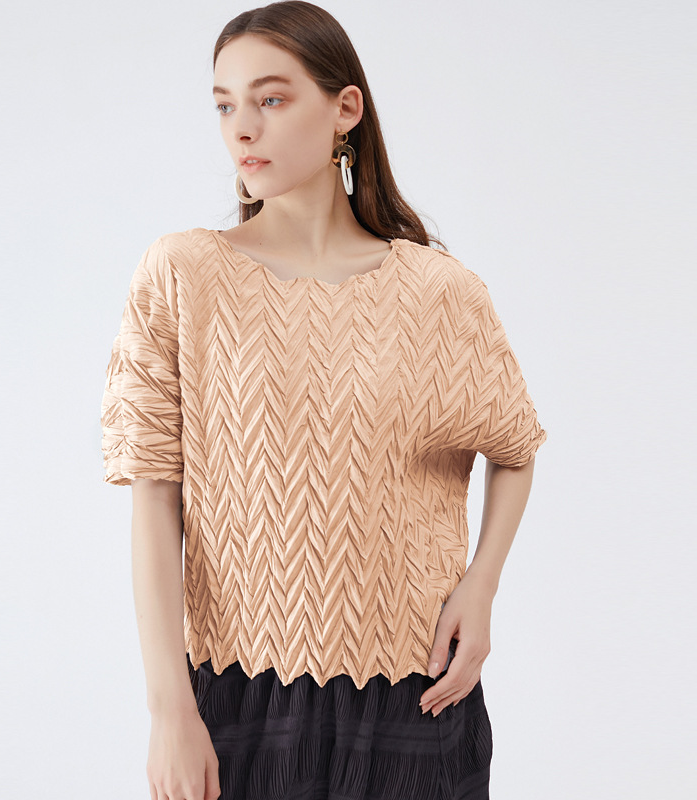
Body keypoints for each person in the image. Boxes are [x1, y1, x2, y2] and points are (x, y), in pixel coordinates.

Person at [100, 2, 548, 799]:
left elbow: (514, 447)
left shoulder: (440, 292)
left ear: (345, 109)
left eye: (271, 99)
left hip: (416, 697)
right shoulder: (181, 277)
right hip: (237, 696)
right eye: (225, 105)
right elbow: (154, 495)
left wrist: (480, 589)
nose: (243, 128)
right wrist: (170, 710)